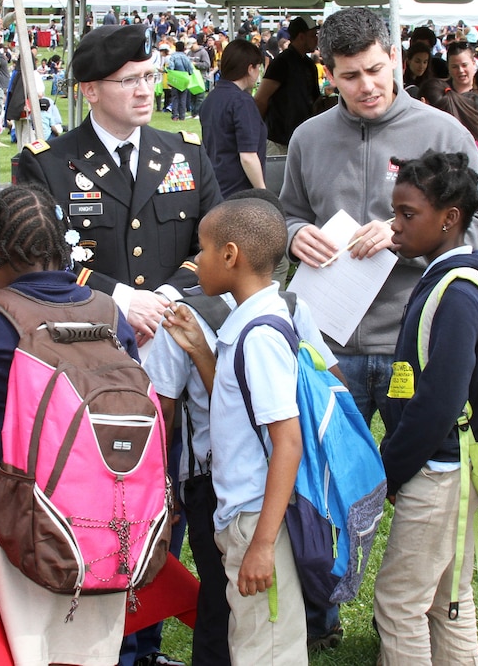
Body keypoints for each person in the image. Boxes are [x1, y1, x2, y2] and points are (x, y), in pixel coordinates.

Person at [0, 183, 139, 666]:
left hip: (21, 516)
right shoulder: (110, 312)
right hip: (111, 514)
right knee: (90, 652)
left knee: (28, 647)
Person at [280, 6, 478, 431]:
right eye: (350, 77)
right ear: (328, 74)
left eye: (375, 70)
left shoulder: (444, 134)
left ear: (395, 58)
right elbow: (291, 211)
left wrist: (404, 236)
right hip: (329, 340)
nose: (367, 86)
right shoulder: (308, 138)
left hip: (416, 334)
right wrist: (294, 235)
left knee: (420, 474)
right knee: (334, 474)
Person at [147, 189, 342, 665]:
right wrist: (201, 351)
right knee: (250, 637)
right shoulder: (248, 326)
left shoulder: (259, 337)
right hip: (243, 514)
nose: (196, 260)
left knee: (265, 651)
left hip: (258, 519)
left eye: (203, 249)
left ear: (230, 256)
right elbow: (238, 412)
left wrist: (261, 545)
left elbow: (287, 443)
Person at [374, 151, 478, 665]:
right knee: (448, 601)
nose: (394, 226)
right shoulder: (449, 280)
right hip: (443, 466)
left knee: (399, 605)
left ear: (450, 218)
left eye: (407, 214)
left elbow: (439, 402)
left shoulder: (458, 292)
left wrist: (392, 470)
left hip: (436, 469)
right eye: (394, 212)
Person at [16, 23, 223, 349]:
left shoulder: (186, 154)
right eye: (129, 81)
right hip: (88, 340)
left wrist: (164, 299)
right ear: (90, 91)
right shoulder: (48, 163)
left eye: (149, 76)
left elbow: (215, 242)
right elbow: (44, 259)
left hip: (178, 331)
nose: (145, 91)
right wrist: (122, 301)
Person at [199, 39, 267, 197]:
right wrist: (264, 193)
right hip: (240, 193)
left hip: (215, 188)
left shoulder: (211, 99)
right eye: (258, 68)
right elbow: (248, 156)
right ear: (250, 69)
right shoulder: (242, 102)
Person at [254, 16, 321, 155]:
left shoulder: (309, 65)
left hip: (302, 138)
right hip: (279, 140)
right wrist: (258, 131)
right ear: (301, 37)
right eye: (313, 35)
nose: (316, 39)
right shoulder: (281, 63)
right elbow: (261, 99)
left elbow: (314, 101)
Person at [166, 41, 194, 122]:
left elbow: (170, 67)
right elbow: (190, 69)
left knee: (175, 97)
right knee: (183, 97)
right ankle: (182, 116)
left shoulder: (173, 56)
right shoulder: (186, 57)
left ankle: (175, 115)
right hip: (184, 78)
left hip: (175, 78)